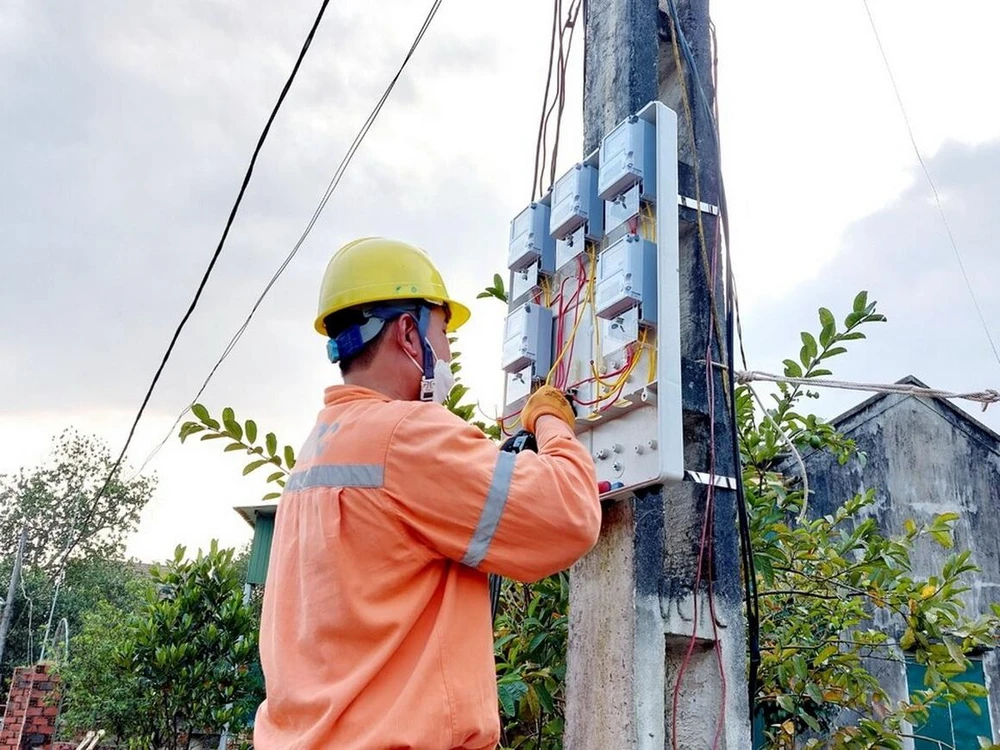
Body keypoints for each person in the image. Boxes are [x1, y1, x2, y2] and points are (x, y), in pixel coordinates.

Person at [254, 237, 601, 749]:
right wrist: (549, 418)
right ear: (408, 335)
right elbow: (569, 514)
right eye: (444, 335)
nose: (447, 354)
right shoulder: (407, 437)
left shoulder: (318, 450)